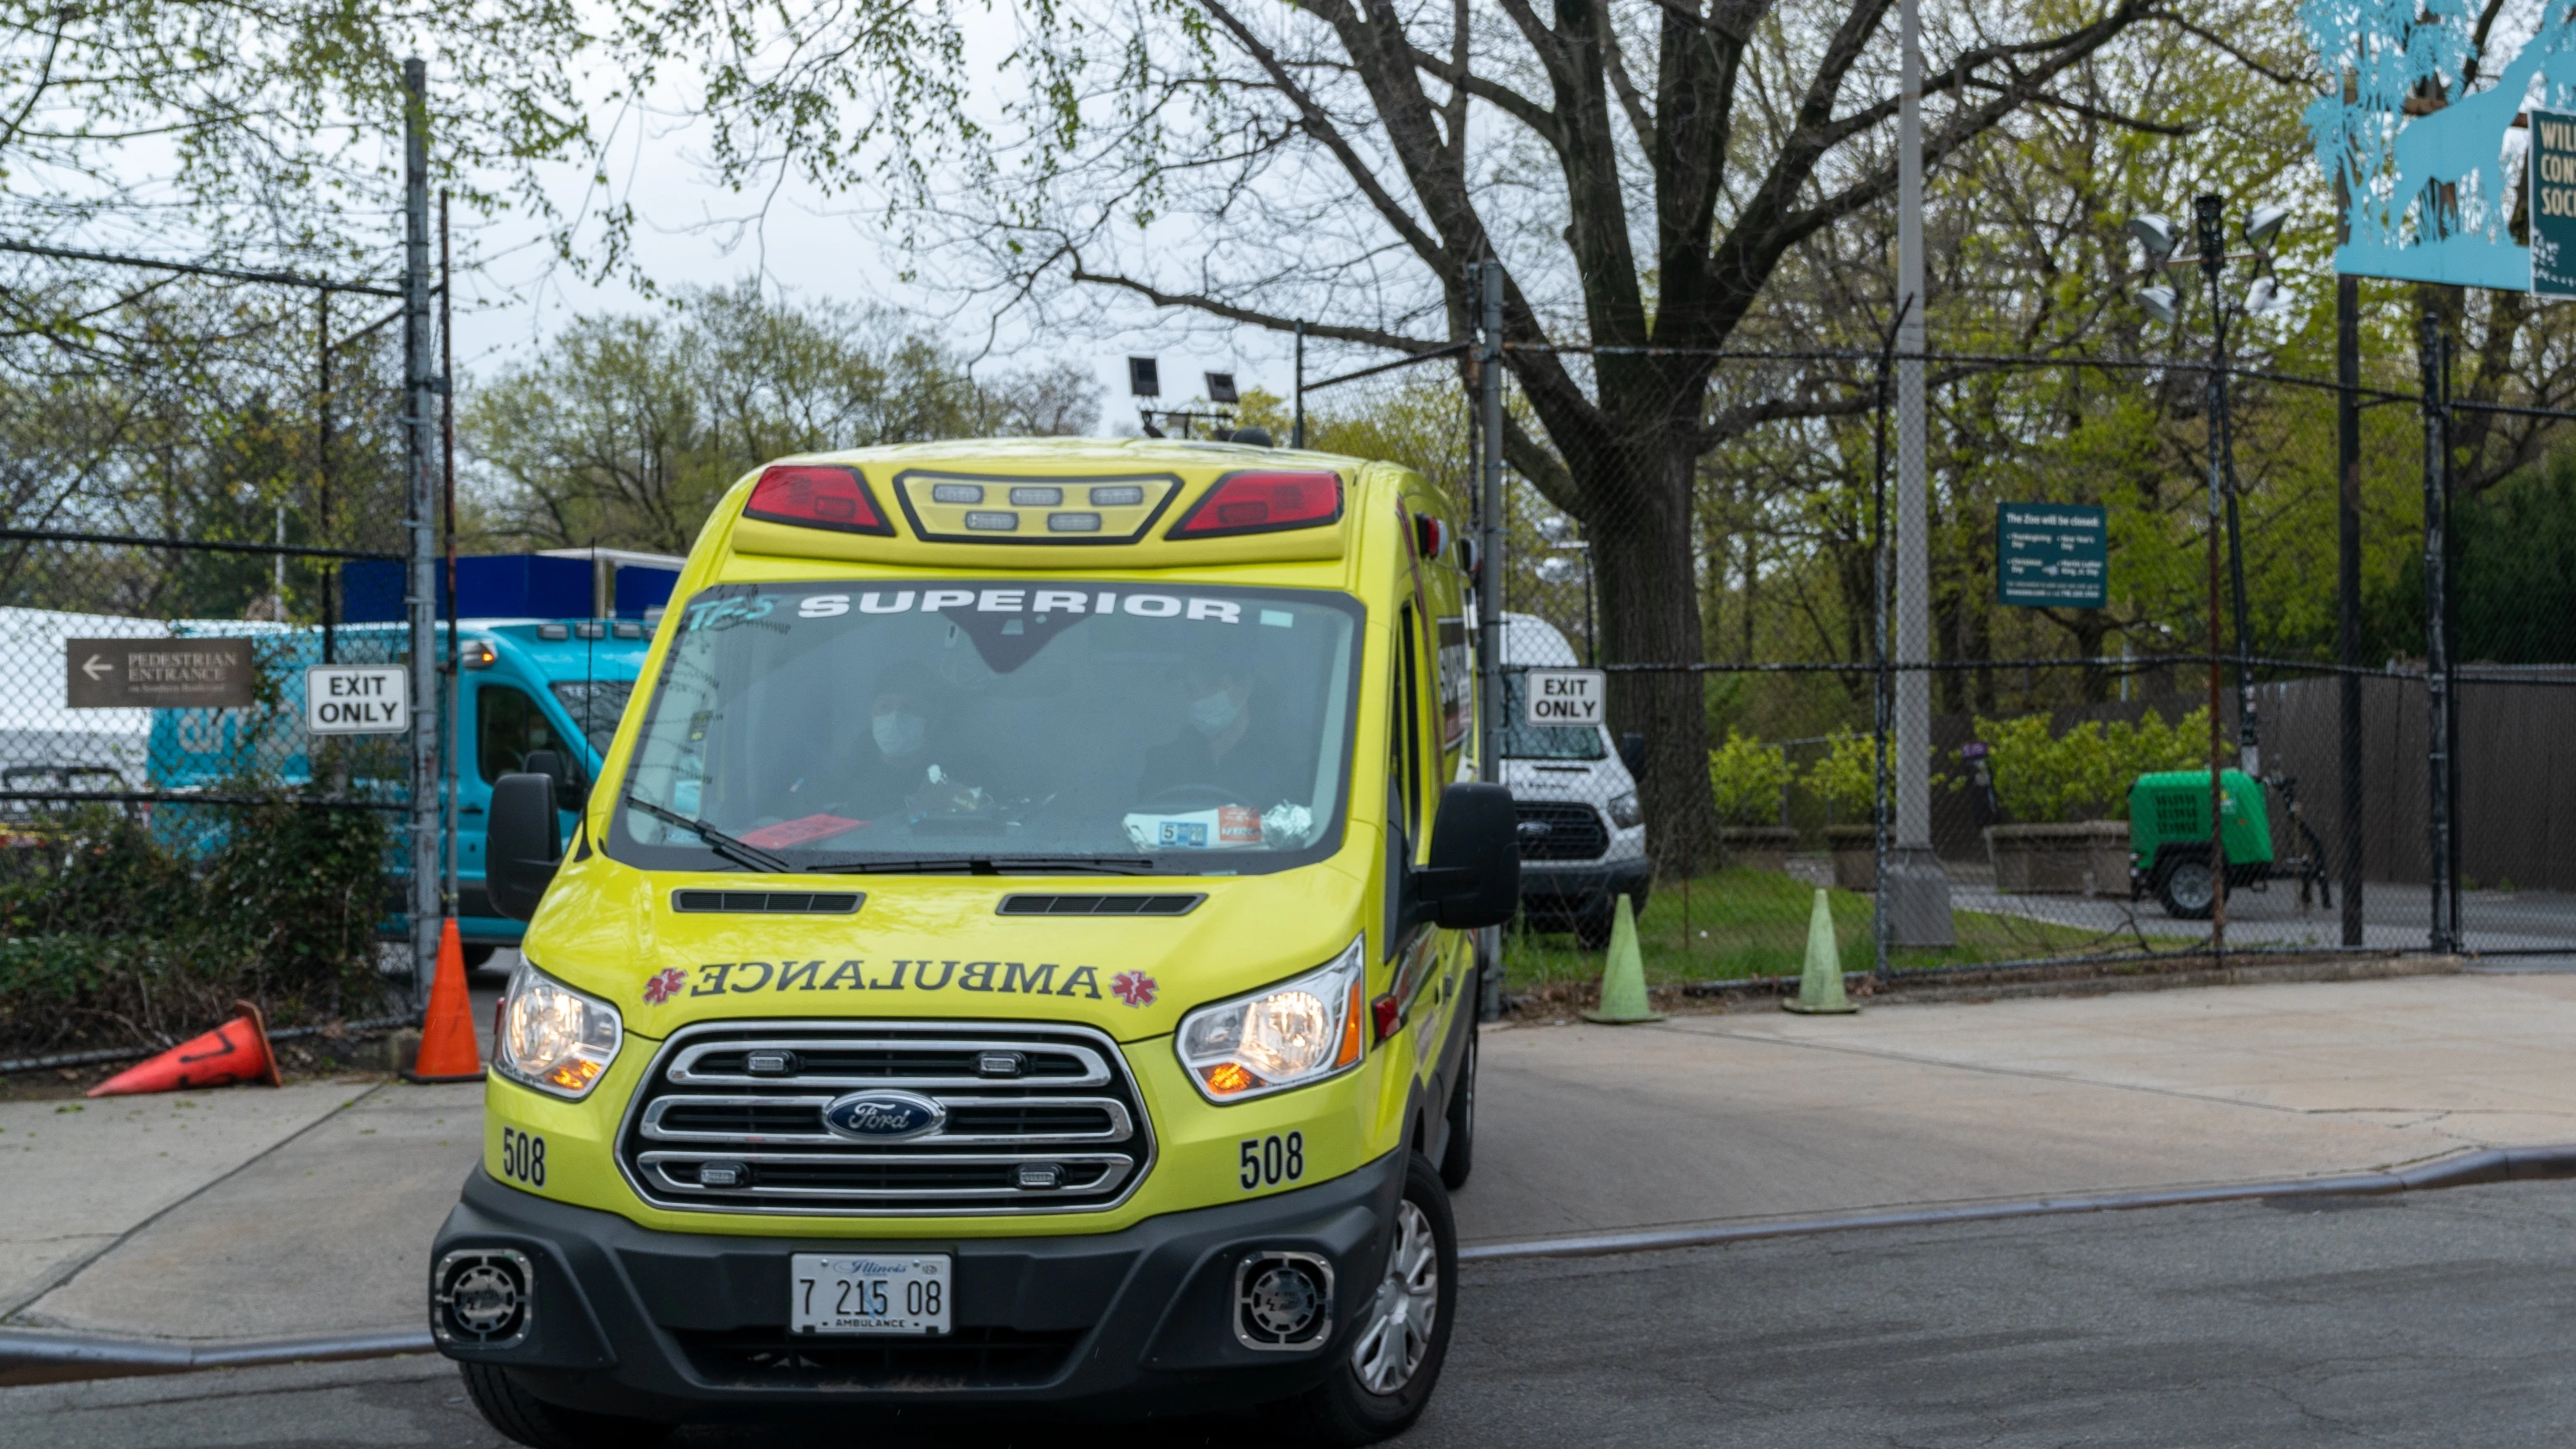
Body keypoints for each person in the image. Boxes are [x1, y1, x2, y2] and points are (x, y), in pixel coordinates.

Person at [1133, 661, 1308, 811]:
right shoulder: (1163, 761)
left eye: (1192, 688)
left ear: (1243, 688)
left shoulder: (1282, 767)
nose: (1188, 698)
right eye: (1186, 689)